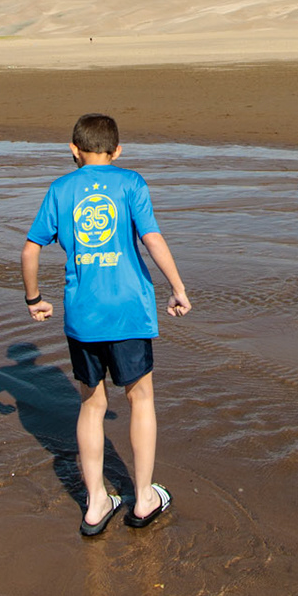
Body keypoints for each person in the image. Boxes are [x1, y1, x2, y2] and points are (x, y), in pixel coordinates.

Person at [21, 113, 191, 537]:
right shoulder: (131, 182)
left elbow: (29, 251)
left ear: (73, 150)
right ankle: (143, 496)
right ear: (118, 151)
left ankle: (96, 502)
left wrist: (34, 298)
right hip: (130, 310)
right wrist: (178, 287)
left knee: (92, 405)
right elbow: (151, 239)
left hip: (84, 314)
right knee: (141, 399)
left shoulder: (60, 189)